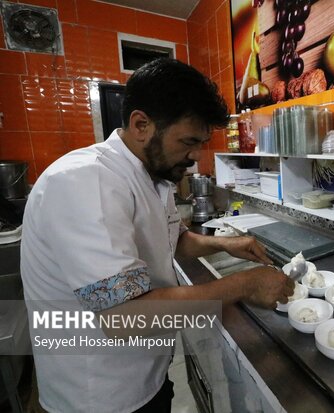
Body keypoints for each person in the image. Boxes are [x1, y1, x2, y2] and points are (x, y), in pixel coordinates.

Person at [20, 58, 294, 413]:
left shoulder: (153, 173)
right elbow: (123, 318)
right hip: (100, 396)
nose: (195, 156)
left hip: (147, 374)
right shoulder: (86, 182)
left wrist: (228, 244)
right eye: (188, 142)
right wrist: (245, 284)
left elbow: (172, 238)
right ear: (141, 124)